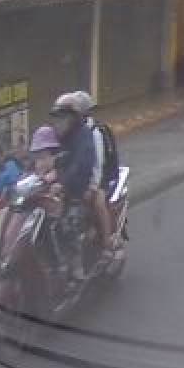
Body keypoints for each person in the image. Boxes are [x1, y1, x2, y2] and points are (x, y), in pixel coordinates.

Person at [62, 91, 120, 256]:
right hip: (80, 177)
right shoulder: (69, 132)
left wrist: (93, 187)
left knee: (98, 202)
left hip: (99, 178)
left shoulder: (95, 132)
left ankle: (107, 241)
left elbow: (98, 164)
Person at [48, 93, 97, 282]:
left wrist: (63, 183)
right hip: (55, 192)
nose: (59, 121)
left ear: (74, 118)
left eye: (64, 117)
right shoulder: (55, 135)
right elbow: (42, 153)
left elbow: (81, 163)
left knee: (68, 225)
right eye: (57, 117)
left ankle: (76, 266)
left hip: (78, 191)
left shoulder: (84, 135)